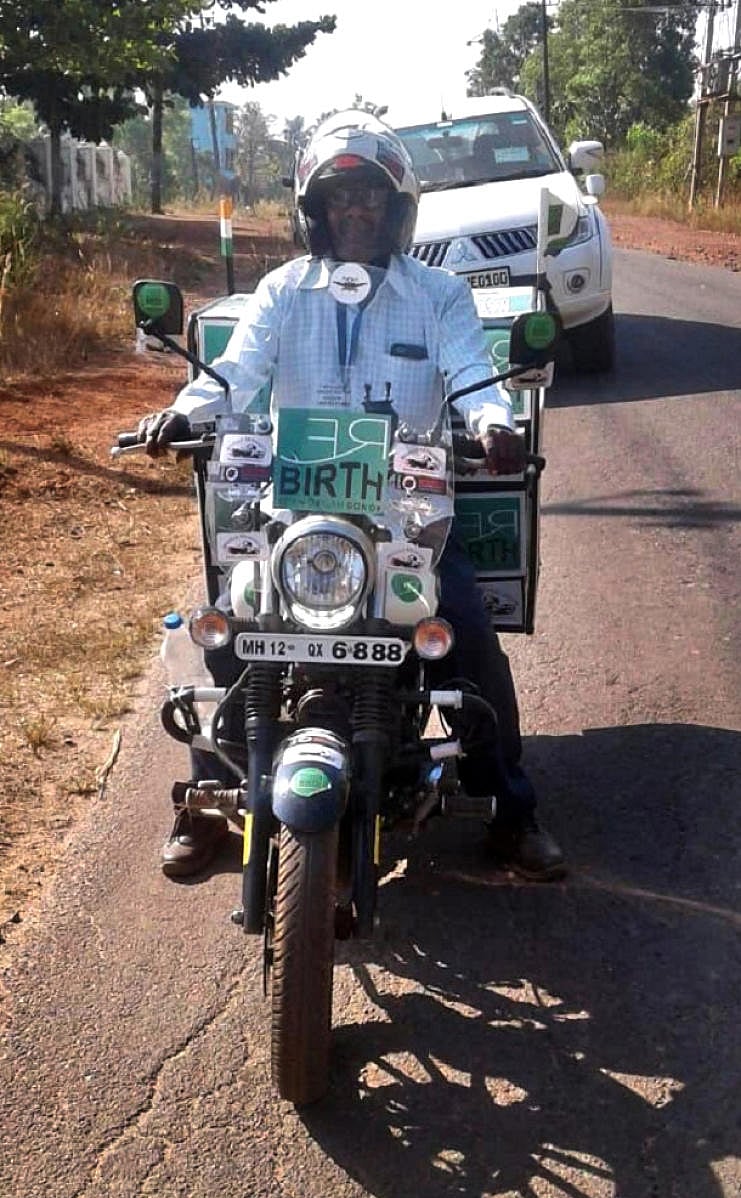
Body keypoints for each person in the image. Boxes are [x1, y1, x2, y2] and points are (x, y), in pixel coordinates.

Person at [139, 110, 565, 883]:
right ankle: (208, 799)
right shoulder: (282, 290)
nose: (355, 213)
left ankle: (511, 809)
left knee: (466, 637)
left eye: (370, 197)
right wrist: (182, 411)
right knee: (226, 626)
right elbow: (234, 372)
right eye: (339, 201)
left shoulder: (437, 295)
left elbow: (471, 376)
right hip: (294, 518)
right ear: (316, 214)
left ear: (397, 208)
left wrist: (496, 423)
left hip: (407, 518)